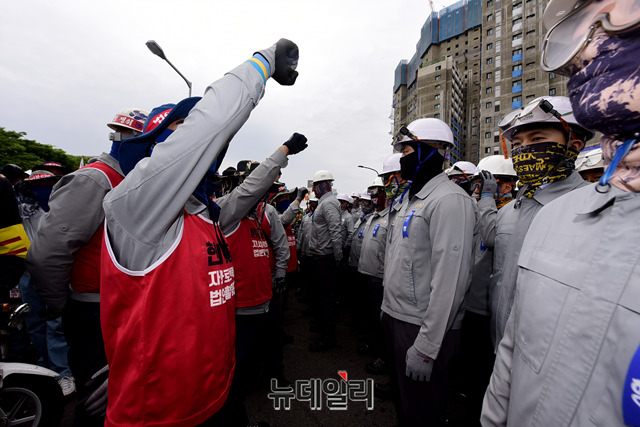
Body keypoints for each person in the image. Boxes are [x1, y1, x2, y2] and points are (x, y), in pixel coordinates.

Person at [100, 39, 301, 426]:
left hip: (215, 397)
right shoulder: (136, 207)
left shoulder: (208, 214)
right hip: (160, 414)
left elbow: (247, 192)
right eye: (182, 129)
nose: (204, 144)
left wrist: (281, 154)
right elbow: (210, 124)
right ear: (156, 144)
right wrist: (262, 64)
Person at [482, 2, 640, 425]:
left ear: (573, 143)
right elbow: (515, 350)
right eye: (580, 32)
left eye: (624, 11)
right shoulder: (546, 218)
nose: (590, 52)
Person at [25, 107, 148, 426]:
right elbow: (48, 253)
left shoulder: (129, 180)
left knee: (122, 396)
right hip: (93, 311)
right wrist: (61, 305)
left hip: (120, 309)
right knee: (97, 403)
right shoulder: (95, 179)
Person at [478, 95, 594, 349]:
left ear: (574, 145)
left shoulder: (592, 209)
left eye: (538, 139)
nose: (523, 149)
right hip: (499, 346)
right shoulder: (511, 210)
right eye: (517, 143)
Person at [382, 118, 476, 426]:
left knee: (423, 411)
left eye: (407, 149)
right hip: (399, 317)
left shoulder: (449, 199)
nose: (402, 157)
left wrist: (427, 347)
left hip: (422, 327)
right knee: (407, 406)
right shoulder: (412, 200)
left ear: (430, 151)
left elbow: (451, 283)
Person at [14, 170, 77, 397]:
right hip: (29, 272)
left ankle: (63, 371)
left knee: (56, 322)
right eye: (38, 185)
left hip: (58, 271)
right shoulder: (23, 209)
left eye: (49, 184)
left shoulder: (64, 209)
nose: (43, 188)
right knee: (34, 322)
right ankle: (46, 365)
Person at [308, 169, 342, 352]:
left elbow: (336, 232)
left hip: (325, 259)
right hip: (320, 258)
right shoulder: (324, 203)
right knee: (321, 297)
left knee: (327, 299)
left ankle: (329, 338)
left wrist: (336, 259)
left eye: (315, 186)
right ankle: (324, 329)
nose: (313, 189)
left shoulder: (328, 204)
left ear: (324, 185)